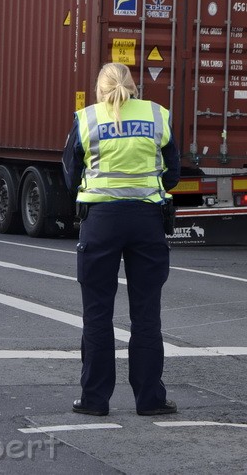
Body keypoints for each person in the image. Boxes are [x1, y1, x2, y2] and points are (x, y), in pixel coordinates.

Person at [62, 62, 181, 417]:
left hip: (101, 222)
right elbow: (172, 171)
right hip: (147, 221)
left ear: (100, 89)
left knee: (97, 314)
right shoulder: (157, 115)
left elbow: (70, 173)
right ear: (133, 86)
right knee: (147, 316)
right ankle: (149, 400)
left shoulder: (87, 119)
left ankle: (95, 400)